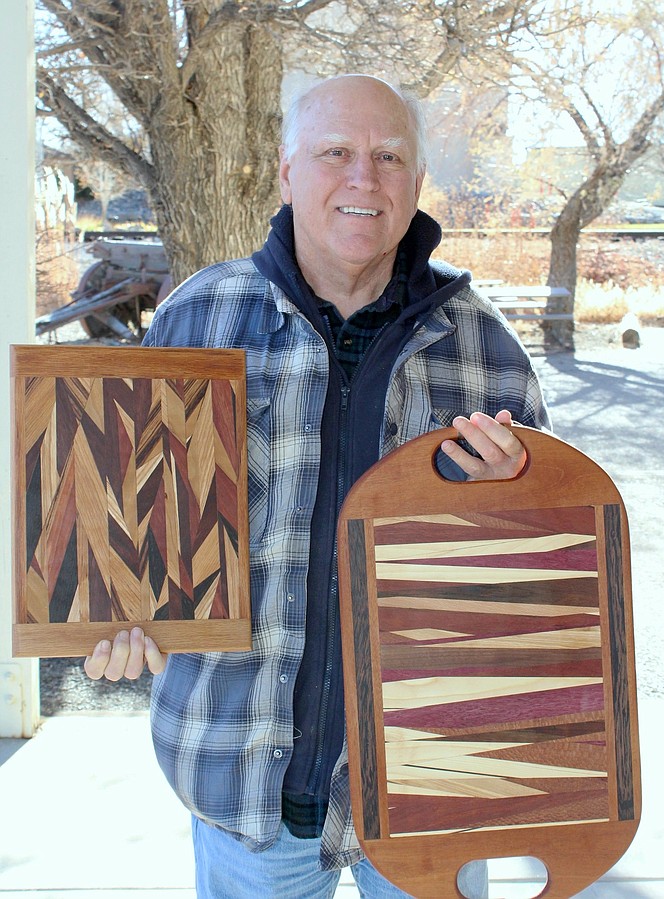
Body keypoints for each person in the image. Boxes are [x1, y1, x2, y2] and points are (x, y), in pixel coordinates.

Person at [85, 74, 550, 898]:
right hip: (240, 781)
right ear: (285, 171)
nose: (362, 178)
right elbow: (119, 523)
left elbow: (541, 584)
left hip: (430, 791)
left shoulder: (486, 351)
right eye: (335, 152)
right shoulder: (198, 321)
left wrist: (517, 504)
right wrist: (112, 608)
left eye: (388, 157)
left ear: (415, 183)